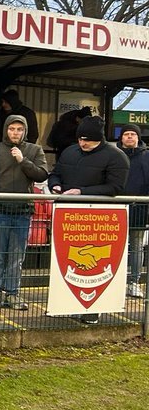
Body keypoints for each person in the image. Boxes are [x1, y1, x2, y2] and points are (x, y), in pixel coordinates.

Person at [48, 115, 130, 324]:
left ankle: (92, 311)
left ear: (99, 139)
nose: (82, 143)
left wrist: (81, 191)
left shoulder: (116, 157)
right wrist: (55, 185)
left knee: (95, 266)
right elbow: (55, 173)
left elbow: (115, 187)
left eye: (87, 140)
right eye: (80, 139)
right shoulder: (69, 151)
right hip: (68, 219)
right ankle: (65, 305)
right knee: (66, 262)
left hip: (98, 222)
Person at [0, 114, 48, 310]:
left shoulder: (34, 150)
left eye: (19, 129)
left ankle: (13, 294)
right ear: (5, 130)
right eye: (12, 129)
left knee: (17, 256)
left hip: (22, 211)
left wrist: (23, 160)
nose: (15, 133)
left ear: (25, 131)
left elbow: (42, 174)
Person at [120, 124, 149, 298]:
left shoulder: (146, 156)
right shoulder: (112, 154)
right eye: (126, 134)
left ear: (138, 137)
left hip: (139, 207)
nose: (130, 137)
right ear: (121, 138)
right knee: (116, 247)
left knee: (137, 247)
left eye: (133, 134)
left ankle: (134, 282)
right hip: (115, 208)